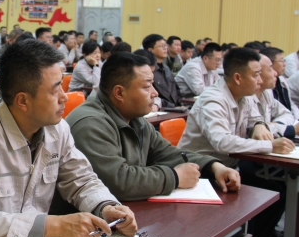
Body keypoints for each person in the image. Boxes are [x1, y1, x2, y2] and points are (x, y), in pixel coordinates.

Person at [0, 39, 138, 237]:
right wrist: (54, 225)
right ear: (23, 100)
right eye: (55, 90)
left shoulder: (57, 129)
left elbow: (81, 179)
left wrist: (106, 206)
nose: (65, 97)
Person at [55, 52, 240, 203]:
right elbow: (117, 182)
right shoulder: (90, 123)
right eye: (147, 86)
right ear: (119, 92)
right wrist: (174, 177)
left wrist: (213, 166)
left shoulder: (135, 119)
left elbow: (167, 153)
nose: (155, 93)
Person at [178, 48, 295, 237]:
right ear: (238, 78)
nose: (260, 81)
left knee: (275, 192)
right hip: (201, 171)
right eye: (256, 75)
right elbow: (223, 142)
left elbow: (256, 120)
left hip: (229, 167)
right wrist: (271, 146)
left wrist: (259, 125)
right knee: (267, 193)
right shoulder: (213, 99)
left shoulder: (245, 96)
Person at [143, 34, 181, 107]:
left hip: (174, 108)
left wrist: (180, 105)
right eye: (162, 46)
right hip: (160, 108)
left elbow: (176, 90)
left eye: (165, 46)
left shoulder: (166, 68)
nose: (165, 48)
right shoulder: (148, 70)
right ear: (150, 50)